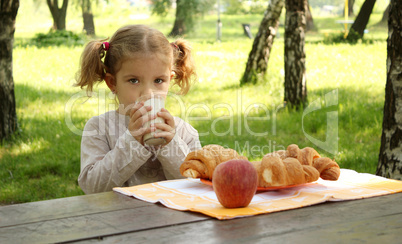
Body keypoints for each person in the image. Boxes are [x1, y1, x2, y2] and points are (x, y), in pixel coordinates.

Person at [75, 25, 201, 194]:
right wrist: (132, 142)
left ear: (169, 80)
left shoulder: (184, 132)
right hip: (117, 219)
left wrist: (171, 144)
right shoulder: (99, 129)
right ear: (112, 83)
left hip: (171, 219)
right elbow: (93, 188)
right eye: (134, 81)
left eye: (158, 80)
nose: (148, 93)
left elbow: (197, 186)